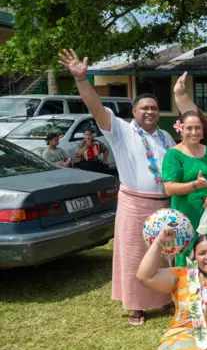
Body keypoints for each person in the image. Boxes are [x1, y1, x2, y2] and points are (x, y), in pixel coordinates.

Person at [59, 49, 174, 326]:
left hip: (164, 204)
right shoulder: (121, 130)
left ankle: (165, 297)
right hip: (134, 202)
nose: (150, 112)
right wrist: (81, 80)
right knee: (134, 254)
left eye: (154, 108)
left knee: (164, 252)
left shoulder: (167, 137)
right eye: (144, 108)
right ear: (134, 111)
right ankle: (136, 306)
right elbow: (97, 108)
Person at [162, 111, 207, 266]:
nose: (194, 132)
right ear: (180, 129)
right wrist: (195, 185)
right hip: (186, 215)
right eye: (189, 128)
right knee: (187, 258)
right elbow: (169, 188)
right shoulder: (173, 154)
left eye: (198, 128)